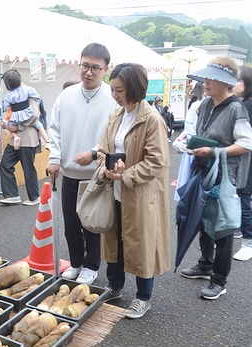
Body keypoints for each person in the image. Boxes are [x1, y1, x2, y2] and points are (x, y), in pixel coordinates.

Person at [96, 63, 171, 318]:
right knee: (114, 239)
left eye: (119, 90)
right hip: (115, 190)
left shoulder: (152, 119)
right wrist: (106, 167)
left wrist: (126, 174)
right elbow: (103, 149)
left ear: (135, 88)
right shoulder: (116, 115)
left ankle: (143, 297)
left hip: (139, 195)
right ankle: (114, 286)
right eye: (113, 89)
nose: (114, 95)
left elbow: (157, 160)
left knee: (141, 243)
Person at [180, 57, 252, 300]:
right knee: (202, 221)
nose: (206, 81)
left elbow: (247, 143)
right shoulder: (204, 104)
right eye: (206, 77)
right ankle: (205, 265)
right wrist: (186, 143)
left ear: (226, 82)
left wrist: (214, 151)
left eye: (212, 78)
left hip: (223, 175)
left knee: (222, 226)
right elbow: (197, 133)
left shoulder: (236, 108)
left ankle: (219, 280)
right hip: (202, 169)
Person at [46, 43, 115, 285]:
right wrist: (54, 158)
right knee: (71, 223)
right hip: (69, 173)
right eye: (85, 65)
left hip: (96, 175)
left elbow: (115, 135)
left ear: (106, 69)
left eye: (95, 68)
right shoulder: (67, 95)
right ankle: (76, 263)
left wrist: (95, 153)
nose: (88, 72)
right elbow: (54, 129)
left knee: (92, 223)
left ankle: (92, 266)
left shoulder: (111, 97)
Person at [231, 66, 252, 261]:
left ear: (248, 84)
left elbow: (248, 134)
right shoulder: (229, 102)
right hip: (228, 160)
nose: (234, 84)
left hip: (244, 162)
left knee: (243, 202)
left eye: (239, 80)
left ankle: (249, 243)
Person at [0, 72, 42, 207]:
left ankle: (34, 197)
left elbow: (35, 115)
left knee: (28, 168)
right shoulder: (17, 95)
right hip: (16, 138)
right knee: (5, 164)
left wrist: (17, 126)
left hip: (27, 137)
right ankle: (12, 195)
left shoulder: (28, 94)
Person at [1, 69, 50, 148]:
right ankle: (47, 141)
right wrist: (35, 105)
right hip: (28, 113)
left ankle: (15, 137)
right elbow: (37, 98)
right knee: (39, 125)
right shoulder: (28, 89)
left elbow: (6, 107)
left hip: (15, 117)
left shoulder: (8, 96)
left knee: (10, 126)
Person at [172, 82, 204, 201]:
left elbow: (188, 127)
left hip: (193, 145)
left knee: (188, 175)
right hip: (197, 146)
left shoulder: (195, 104)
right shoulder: (198, 104)